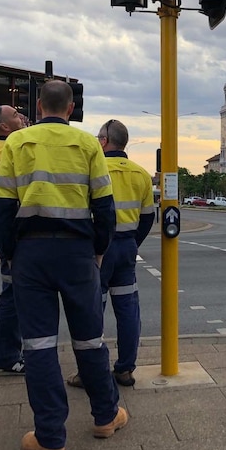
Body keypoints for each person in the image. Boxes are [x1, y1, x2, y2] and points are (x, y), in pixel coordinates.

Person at [0, 80, 128, 450]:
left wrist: (9, 255)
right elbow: (104, 208)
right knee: (89, 340)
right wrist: (98, 251)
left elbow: (1, 210)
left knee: (38, 345)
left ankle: (50, 438)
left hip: (31, 254)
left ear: (38, 106)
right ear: (70, 109)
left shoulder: (17, 144)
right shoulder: (87, 145)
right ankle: (106, 416)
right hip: (77, 253)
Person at [67, 119, 154, 388]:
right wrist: (132, 242)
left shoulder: (94, 169)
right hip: (127, 247)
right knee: (128, 309)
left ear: (104, 141)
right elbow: (149, 217)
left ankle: (89, 372)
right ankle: (125, 369)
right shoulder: (140, 174)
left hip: (98, 249)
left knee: (93, 310)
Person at [0, 105, 28, 376]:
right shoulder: (4, 153)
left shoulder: (4, 148)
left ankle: (12, 352)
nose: (21, 117)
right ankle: (8, 356)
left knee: (14, 292)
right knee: (12, 294)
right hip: (10, 227)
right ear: (4, 126)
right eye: (15, 116)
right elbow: (6, 201)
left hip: (8, 225)